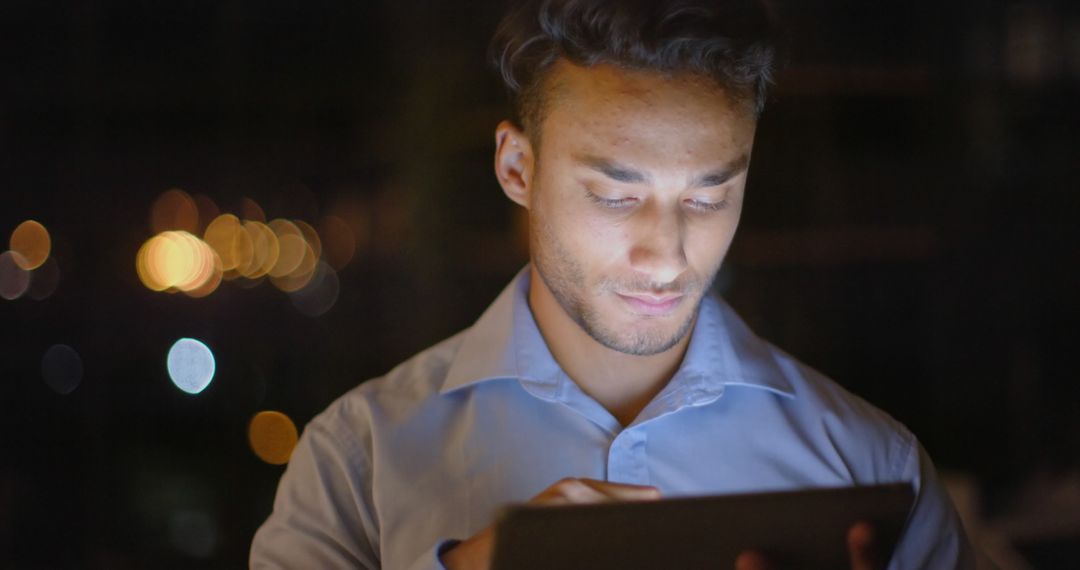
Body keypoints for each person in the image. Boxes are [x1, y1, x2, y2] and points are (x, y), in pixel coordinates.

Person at [250, 0, 974, 568]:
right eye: (617, 195)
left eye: (707, 196)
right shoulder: (356, 464)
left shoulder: (871, 468)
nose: (666, 255)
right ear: (516, 169)